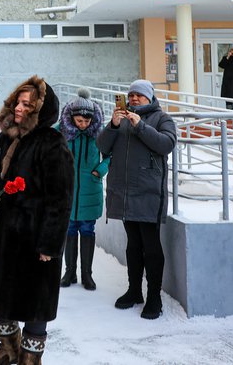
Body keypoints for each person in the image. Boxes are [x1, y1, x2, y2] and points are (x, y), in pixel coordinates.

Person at [0, 76, 73, 365]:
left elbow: (61, 198)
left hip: (35, 238)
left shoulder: (52, 143)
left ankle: (30, 357)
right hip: (3, 235)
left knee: (34, 302)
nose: (18, 108)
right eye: (18, 101)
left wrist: (49, 244)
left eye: (27, 105)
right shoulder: (6, 138)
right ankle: (9, 348)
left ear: (40, 110)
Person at [96, 80, 177, 320]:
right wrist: (113, 125)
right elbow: (102, 146)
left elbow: (166, 144)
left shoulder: (161, 118)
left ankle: (154, 296)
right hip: (124, 191)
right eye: (130, 95)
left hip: (149, 191)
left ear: (149, 97)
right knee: (133, 245)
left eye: (138, 95)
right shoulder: (120, 119)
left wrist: (140, 126)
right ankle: (134, 291)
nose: (133, 99)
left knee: (150, 246)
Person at [54, 88, 110, 291]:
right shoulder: (61, 130)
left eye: (87, 121)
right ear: (71, 117)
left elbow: (111, 155)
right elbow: (47, 148)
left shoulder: (99, 133)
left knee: (87, 230)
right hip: (66, 190)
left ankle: (87, 274)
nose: (83, 124)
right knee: (69, 229)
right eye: (79, 121)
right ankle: (69, 272)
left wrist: (99, 171)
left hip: (90, 189)